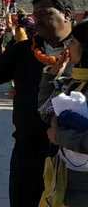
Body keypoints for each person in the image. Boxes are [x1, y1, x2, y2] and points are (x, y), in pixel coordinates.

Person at [0, 0, 74, 207]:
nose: (38, 21)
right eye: (35, 16)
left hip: (73, 149)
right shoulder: (23, 50)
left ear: (66, 14)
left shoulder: (83, 50)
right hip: (29, 147)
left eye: (45, 14)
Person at [37, 19, 88, 206]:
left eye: (73, 42)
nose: (68, 47)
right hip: (65, 176)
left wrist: (59, 136)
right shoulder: (75, 82)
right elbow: (45, 111)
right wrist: (51, 74)